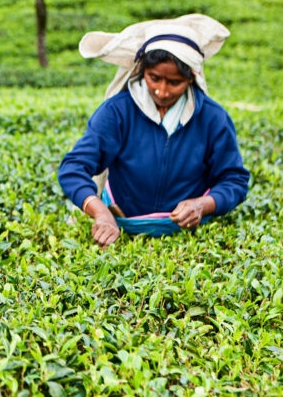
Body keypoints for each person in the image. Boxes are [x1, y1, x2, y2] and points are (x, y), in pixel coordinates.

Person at [58, 14, 250, 247]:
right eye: (154, 78)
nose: (162, 91)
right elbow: (73, 167)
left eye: (174, 82)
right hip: (123, 223)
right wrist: (100, 213)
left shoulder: (212, 118)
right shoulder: (118, 112)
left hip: (186, 235)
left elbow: (234, 180)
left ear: (192, 77)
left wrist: (203, 205)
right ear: (141, 71)